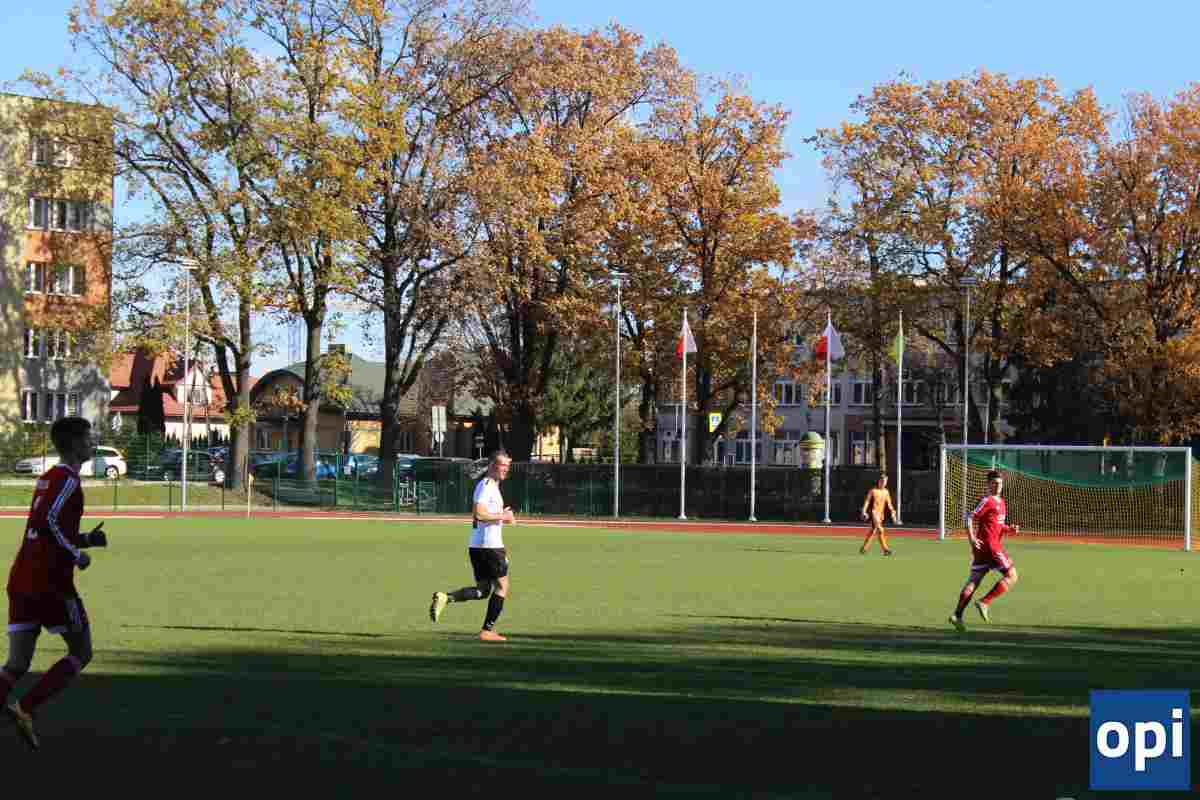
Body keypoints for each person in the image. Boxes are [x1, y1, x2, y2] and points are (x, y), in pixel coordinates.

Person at [2, 417, 108, 750]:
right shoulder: (67, 479)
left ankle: (20, 707)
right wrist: (77, 555)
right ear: (74, 444)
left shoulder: (48, 478)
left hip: (22, 579)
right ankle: (25, 708)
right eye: (88, 438)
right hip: (50, 583)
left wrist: (85, 539)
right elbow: (45, 521)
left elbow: (46, 529)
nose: (92, 443)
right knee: (82, 651)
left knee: (17, 664)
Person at [429, 450, 515, 642]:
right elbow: (479, 514)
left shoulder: (491, 486)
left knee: (483, 590)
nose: (505, 469)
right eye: (502, 465)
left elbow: (487, 514)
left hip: (479, 545)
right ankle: (487, 631)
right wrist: (503, 516)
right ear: (492, 465)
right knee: (502, 586)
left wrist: (502, 514)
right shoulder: (486, 486)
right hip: (489, 546)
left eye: (507, 466)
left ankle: (446, 597)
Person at [949, 469, 1019, 631]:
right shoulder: (987, 500)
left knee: (974, 581)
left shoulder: (1001, 502)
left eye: (1000, 483)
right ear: (988, 484)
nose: (998, 486)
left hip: (983, 549)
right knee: (1012, 575)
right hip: (990, 546)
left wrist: (1009, 529)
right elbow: (970, 517)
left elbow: (997, 525)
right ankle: (985, 602)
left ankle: (957, 616)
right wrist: (972, 538)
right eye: (994, 483)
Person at [859, 473, 897, 555]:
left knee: (873, 531)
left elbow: (889, 504)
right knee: (880, 530)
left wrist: (893, 513)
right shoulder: (873, 491)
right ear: (879, 481)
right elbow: (867, 501)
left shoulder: (886, 492)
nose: (884, 483)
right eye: (882, 481)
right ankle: (885, 549)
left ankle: (864, 548)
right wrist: (864, 511)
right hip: (874, 513)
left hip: (880, 515)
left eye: (885, 481)